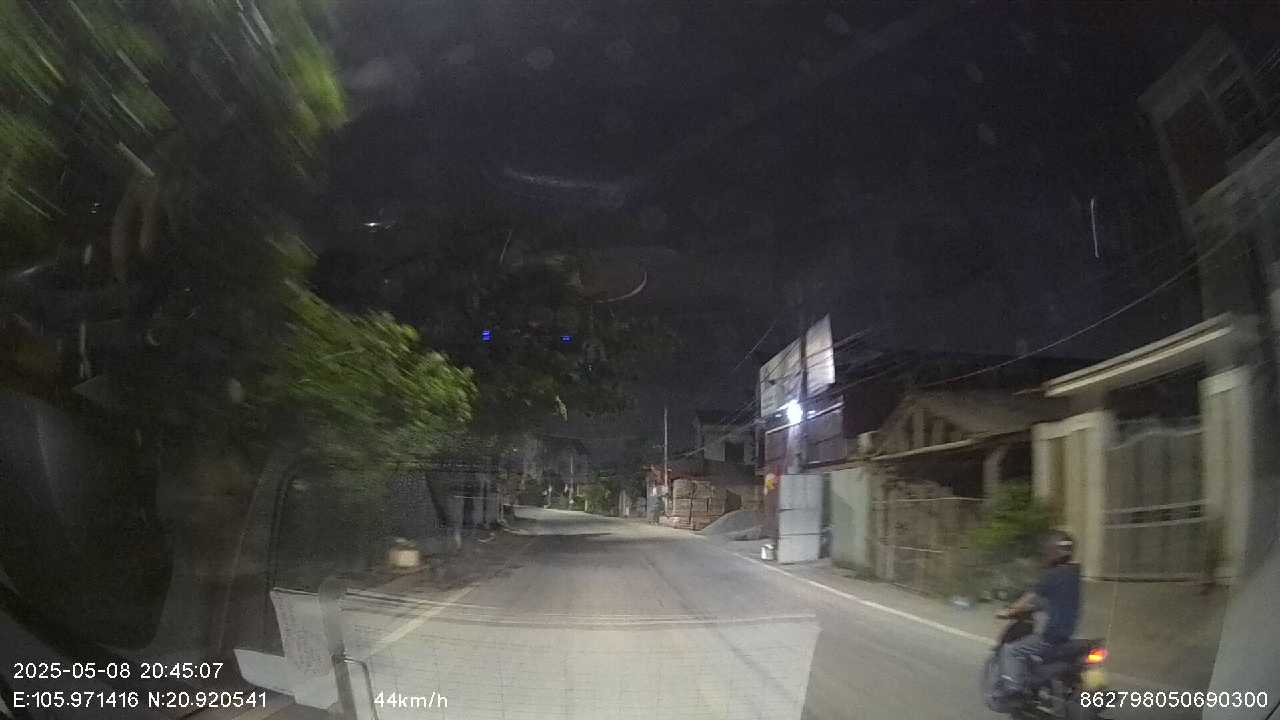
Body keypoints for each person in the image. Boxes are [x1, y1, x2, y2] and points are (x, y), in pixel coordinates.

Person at [996, 530, 1081, 697]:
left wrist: (1008, 612)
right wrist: (1037, 607)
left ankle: (1015, 690)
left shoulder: (1051, 576)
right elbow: (1054, 600)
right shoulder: (1074, 574)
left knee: (1010, 650)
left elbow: (1028, 598)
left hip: (1050, 636)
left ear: (1051, 551)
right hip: (1068, 634)